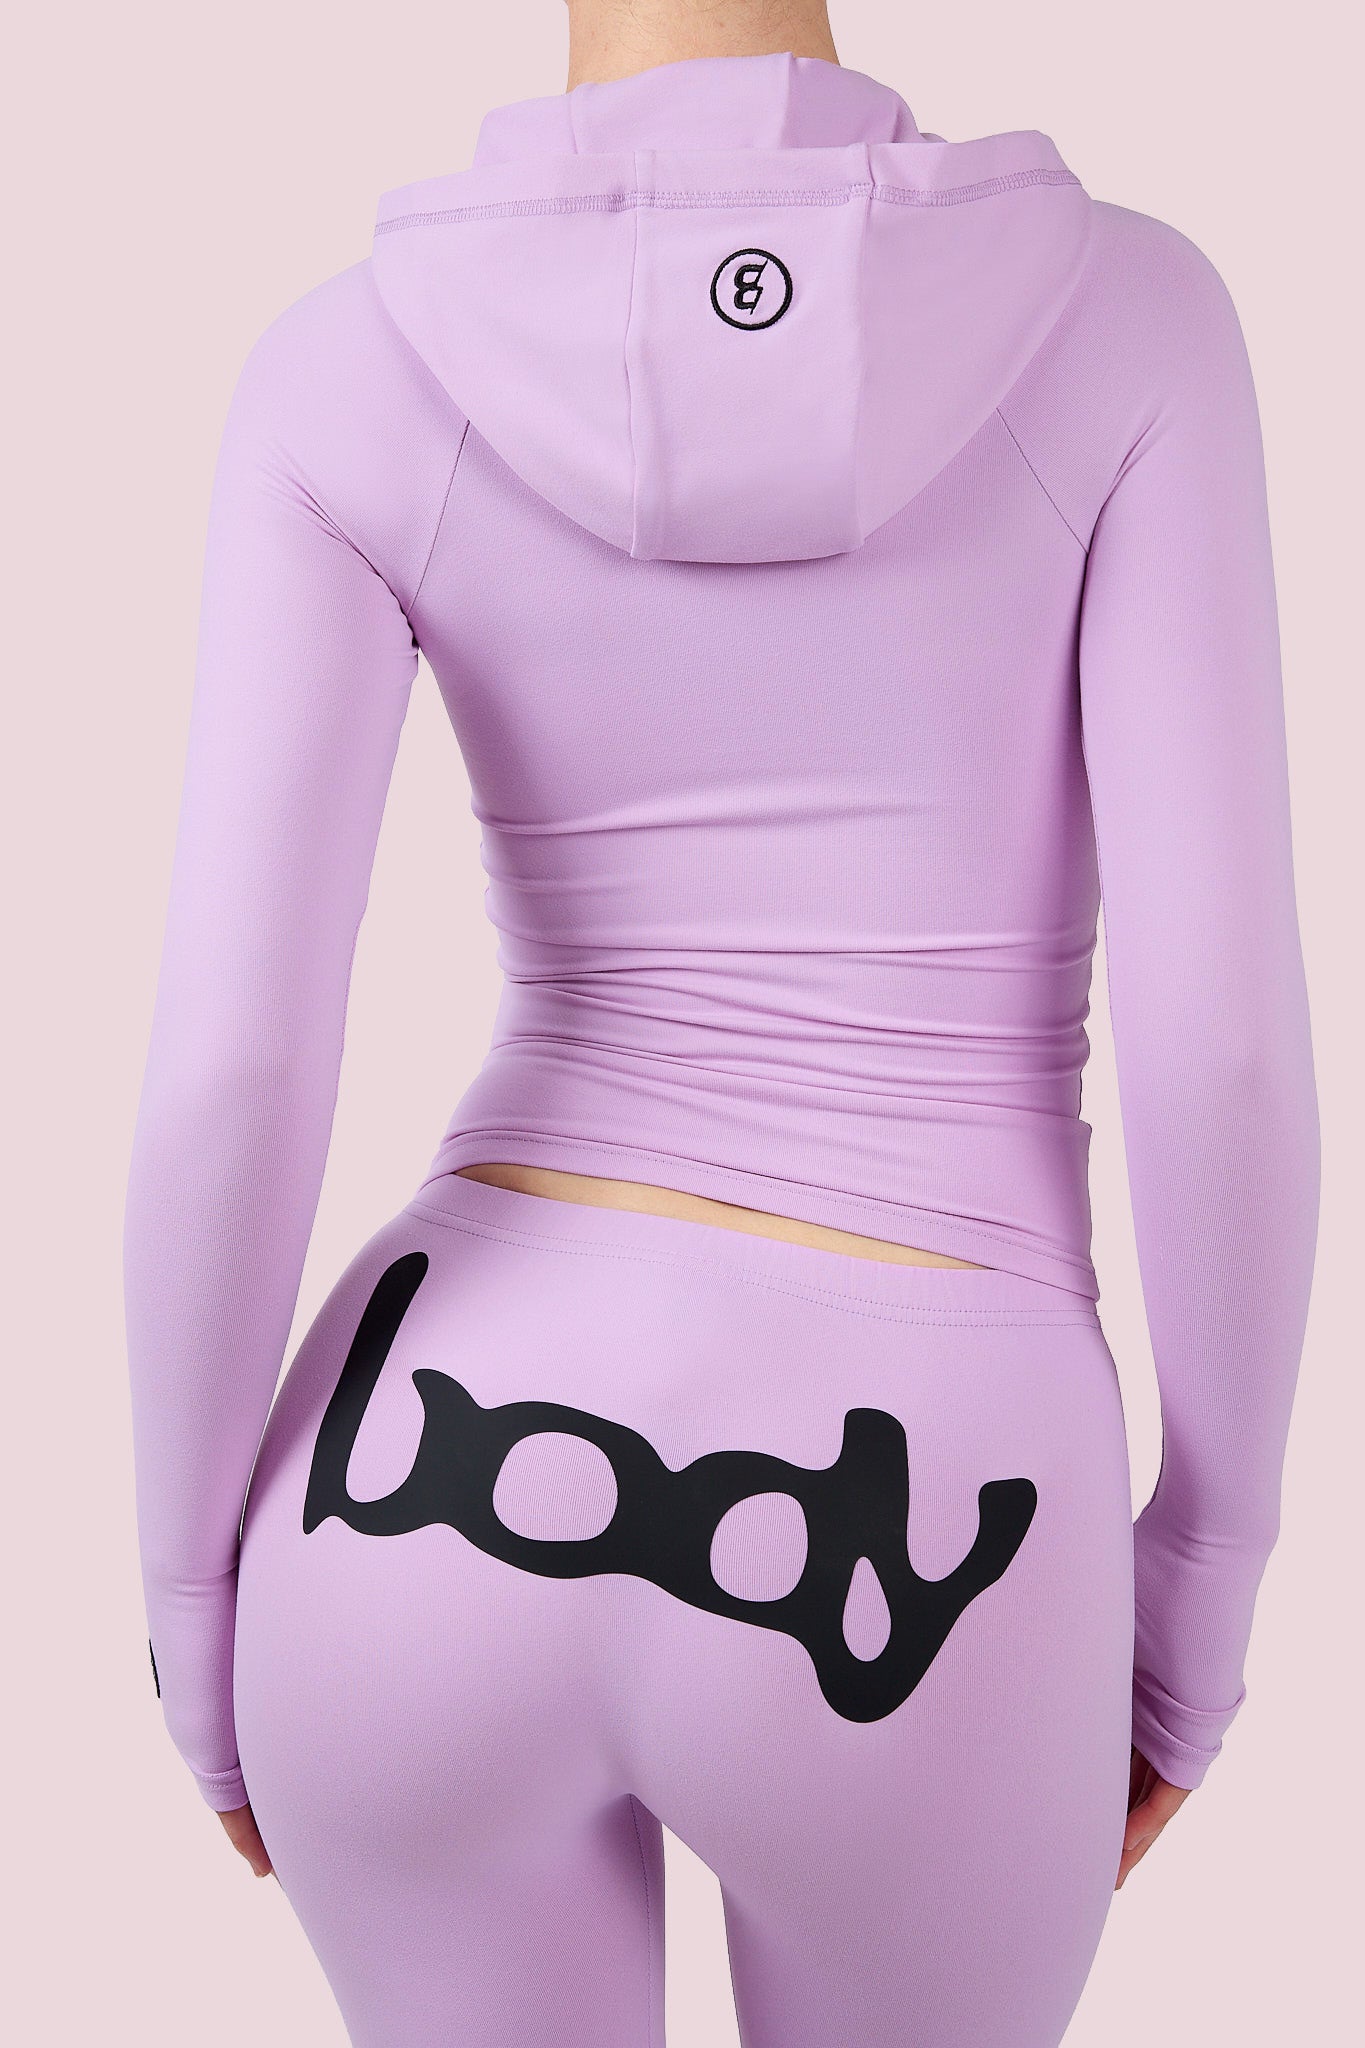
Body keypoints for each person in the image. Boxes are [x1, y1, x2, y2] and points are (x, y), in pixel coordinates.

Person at [122, 1, 1321, 2041]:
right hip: (924, 1519)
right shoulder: (1126, 319)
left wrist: (192, 1601)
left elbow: (233, 1059)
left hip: (413, 1469)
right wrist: (1200, 1582)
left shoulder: (341, 370)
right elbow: (1216, 1040)